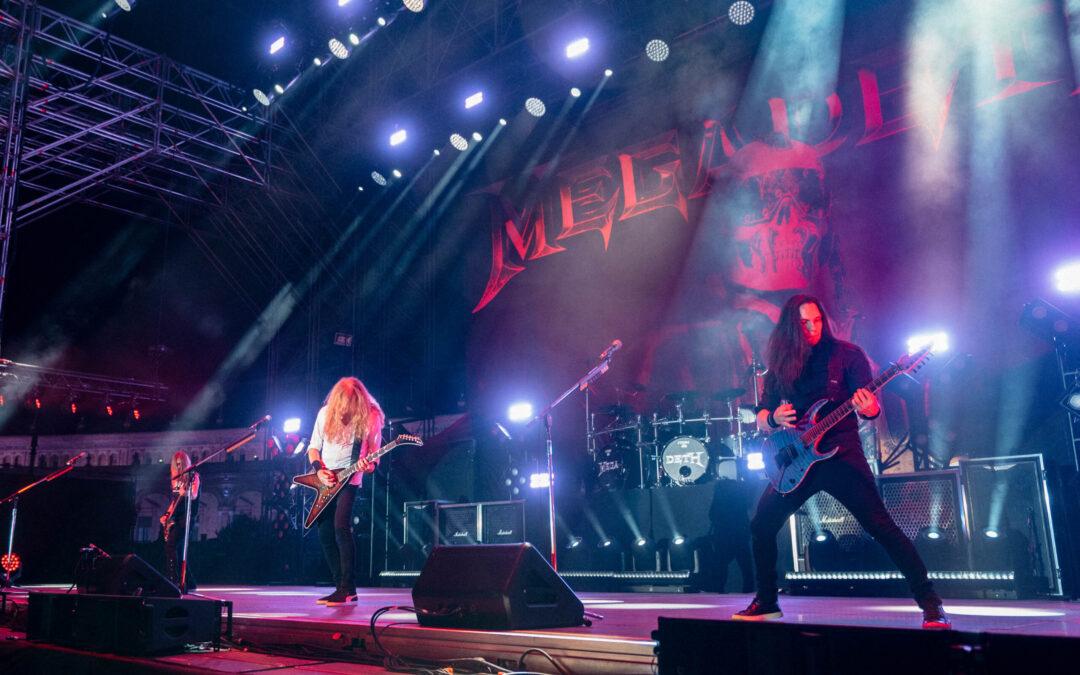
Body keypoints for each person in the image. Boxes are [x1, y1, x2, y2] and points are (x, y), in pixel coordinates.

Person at [732, 295, 950, 629]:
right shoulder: (780, 364)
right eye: (804, 323)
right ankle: (766, 601)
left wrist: (870, 408)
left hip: (841, 453)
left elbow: (869, 407)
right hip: (797, 458)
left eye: (817, 320)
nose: (812, 328)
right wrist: (773, 418)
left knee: (880, 525)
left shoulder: (847, 355)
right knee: (761, 525)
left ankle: (930, 602)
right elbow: (761, 416)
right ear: (790, 326)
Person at [307, 377, 384, 606]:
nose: (343, 411)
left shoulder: (371, 417)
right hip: (326, 480)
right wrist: (319, 470)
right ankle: (340, 587)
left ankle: (348, 588)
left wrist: (368, 466)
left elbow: (374, 457)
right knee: (324, 532)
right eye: (341, 404)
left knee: (341, 526)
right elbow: (313, 448)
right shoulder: (324, 414)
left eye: (349, 405)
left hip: (350, 479)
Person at [162, 451, 199, 593]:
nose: (178, 467)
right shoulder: (175, 480)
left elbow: (194, 495)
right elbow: (174, 500)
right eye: (176, 464)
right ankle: (190, 581)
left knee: (171, 544)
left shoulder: (193, 476)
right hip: (176, 516)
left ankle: (172, 579)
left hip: (187, 516)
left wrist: (186, 492)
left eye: (180, 464)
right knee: (178, 548)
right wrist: (166, 515)